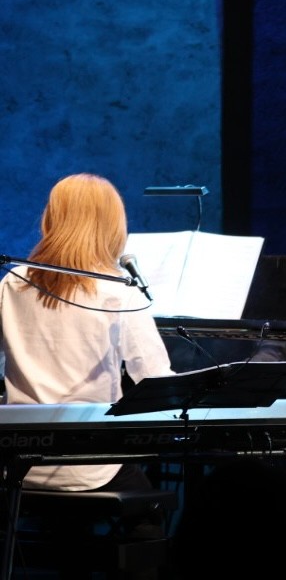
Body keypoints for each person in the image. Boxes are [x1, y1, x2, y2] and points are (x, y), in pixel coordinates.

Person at [0, 172, 174, 492]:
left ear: (52, 218)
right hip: (91, 465)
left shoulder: (13, 282)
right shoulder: (120, 292)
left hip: (18, 462)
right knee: (152, 510)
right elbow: (157, 382)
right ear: (112, 226)